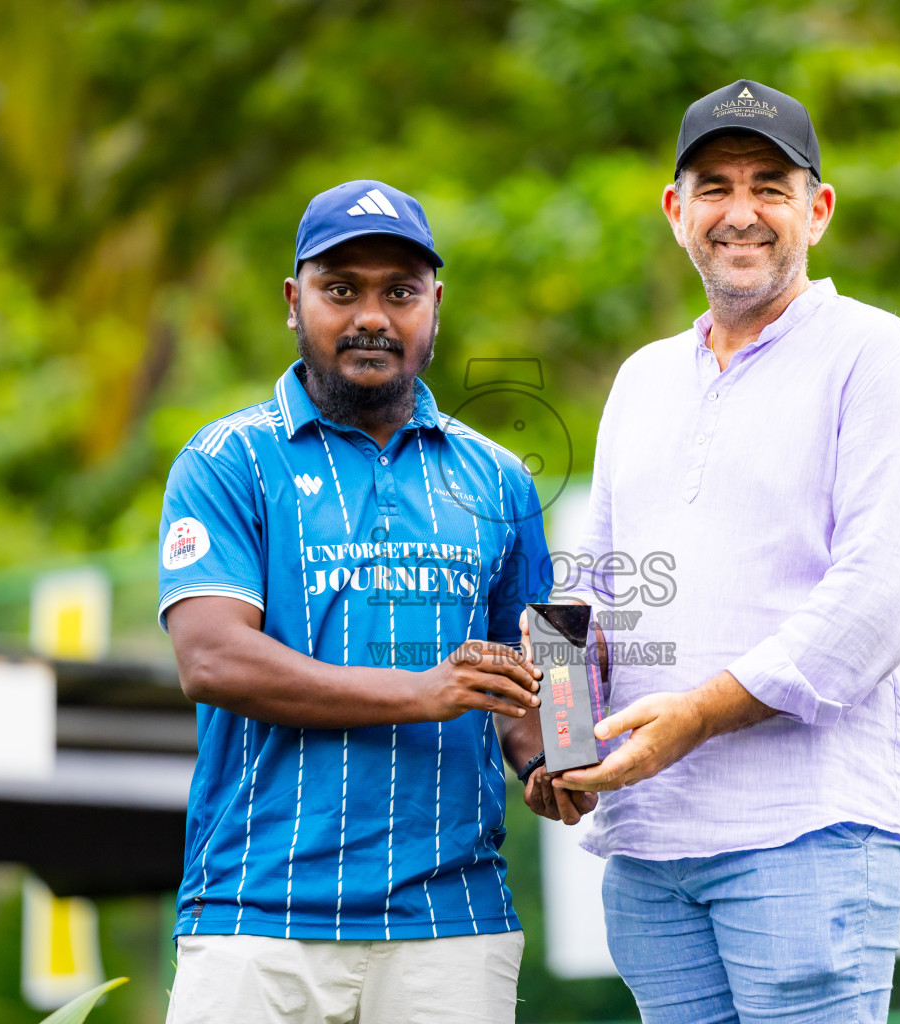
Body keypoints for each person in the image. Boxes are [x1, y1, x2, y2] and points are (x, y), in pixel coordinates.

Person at [550, 80, 900, 1023]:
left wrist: (695, 715)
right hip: (650, 848)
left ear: (817, 210)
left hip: (808, 833)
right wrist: (556, 743)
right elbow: (591, 591)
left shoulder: (874, 355)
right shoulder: (642, 380)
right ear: (675, 211)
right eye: (715, 186)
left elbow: (877, 600)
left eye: (770, 186)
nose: (741, 213)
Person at [158, 179, 559, 1024]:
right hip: (257, 919)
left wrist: (551, 761)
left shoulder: (501, 478)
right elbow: (212, 659)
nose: (371, 316)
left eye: (399, 292)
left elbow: (523, 675)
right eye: (340, 290)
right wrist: (423, 694)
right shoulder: (227, 461)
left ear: (435, 307)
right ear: (292, 302)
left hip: (452, 925)